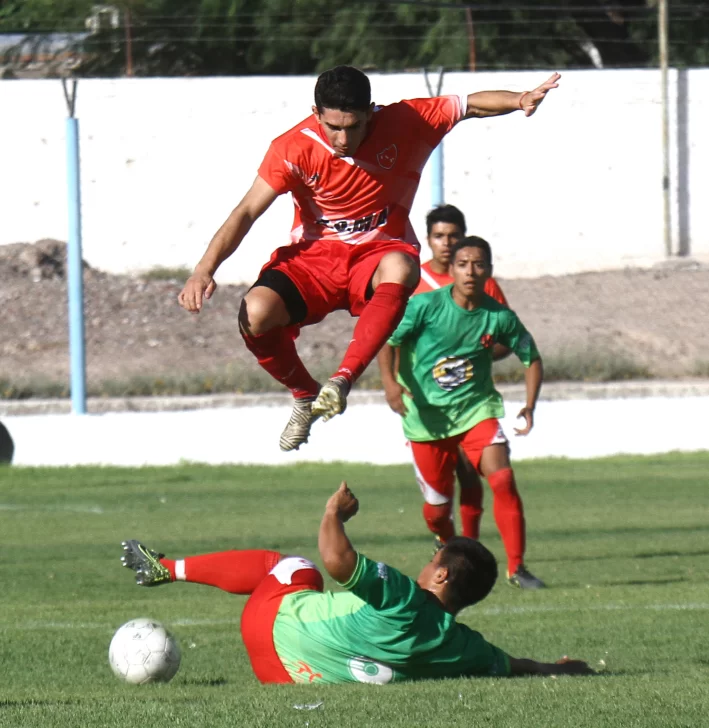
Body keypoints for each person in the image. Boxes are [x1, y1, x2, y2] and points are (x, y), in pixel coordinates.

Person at [178, 65, 561, 452]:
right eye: (333, 127)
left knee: (401, 266)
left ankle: (342, 380)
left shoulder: (406, 120)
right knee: (255, 312)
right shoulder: (293, 147)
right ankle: (304, 393)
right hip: (315, 258)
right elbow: (246, 211)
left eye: (354, 126)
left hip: (378, 253)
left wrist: (518, 100)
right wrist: (203, 270)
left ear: (371, 112)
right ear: (316, 113)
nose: (344, 138)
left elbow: (469, 105)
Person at [119, 482, 593, 684]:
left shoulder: (406, 596)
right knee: (320, 590)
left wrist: (334, 514)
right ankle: (165, 567)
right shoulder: (462, 646)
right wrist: (562, 668)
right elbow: (517, 665)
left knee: (297, 568)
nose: (425, 566)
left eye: (433, 561)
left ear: (442, 575)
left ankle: (169, 568)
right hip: (286, 680)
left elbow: (337, 559)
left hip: (268, 629)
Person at [379, 236, 545, 589]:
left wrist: (529, 405)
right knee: (439, 512)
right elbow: (387, 339)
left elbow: (531, 357)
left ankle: (517, 568)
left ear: (489, 271)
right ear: (451, 269)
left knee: (502, 479)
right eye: (463, 264)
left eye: (479, 264)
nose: (471, 272)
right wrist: (391, 384)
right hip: (426, 419)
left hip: (476, 411)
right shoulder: (424, 307)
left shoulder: (499, 316)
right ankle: (450, 553)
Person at [382, 204, 511, 545]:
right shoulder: (413, 282)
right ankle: (448, 544)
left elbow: (503, 340)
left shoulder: (482, 284)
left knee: (472, 475)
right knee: (441, 491)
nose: (447, 243)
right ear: (428, 240)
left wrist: (484, 350)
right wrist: (391, 383)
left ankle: (469, 548)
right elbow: (388, 336)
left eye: (454, 236)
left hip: (469, 400)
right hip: (424, 405)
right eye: (439, 236)